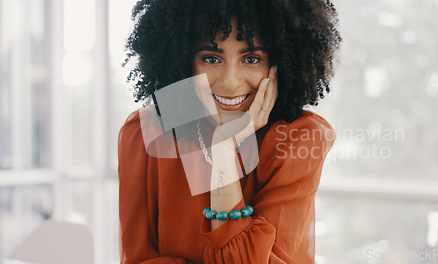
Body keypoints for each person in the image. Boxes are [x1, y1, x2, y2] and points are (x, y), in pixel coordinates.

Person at [118, 0, 342, 263]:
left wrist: (224, 149)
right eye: (211, 58)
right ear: (183, 60)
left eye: (251, 59)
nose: (230, 81)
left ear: (281, 62)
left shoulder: (297, 139)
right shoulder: (145, 132)